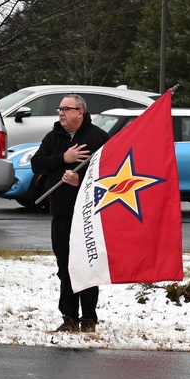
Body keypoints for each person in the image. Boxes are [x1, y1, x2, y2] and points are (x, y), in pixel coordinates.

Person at [30, 93, 109, 333]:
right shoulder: (53, 136)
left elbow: (108, 174)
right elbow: (37, 164)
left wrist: (80, 180)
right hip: (62, 212)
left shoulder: (98, 138)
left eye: (66, 109)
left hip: (88, 215)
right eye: (60, 109)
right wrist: (63, 158)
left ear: (80, 112)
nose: (61, 113)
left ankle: (89, 318)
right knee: (64, 266)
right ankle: (69, 317)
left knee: (86, 265)